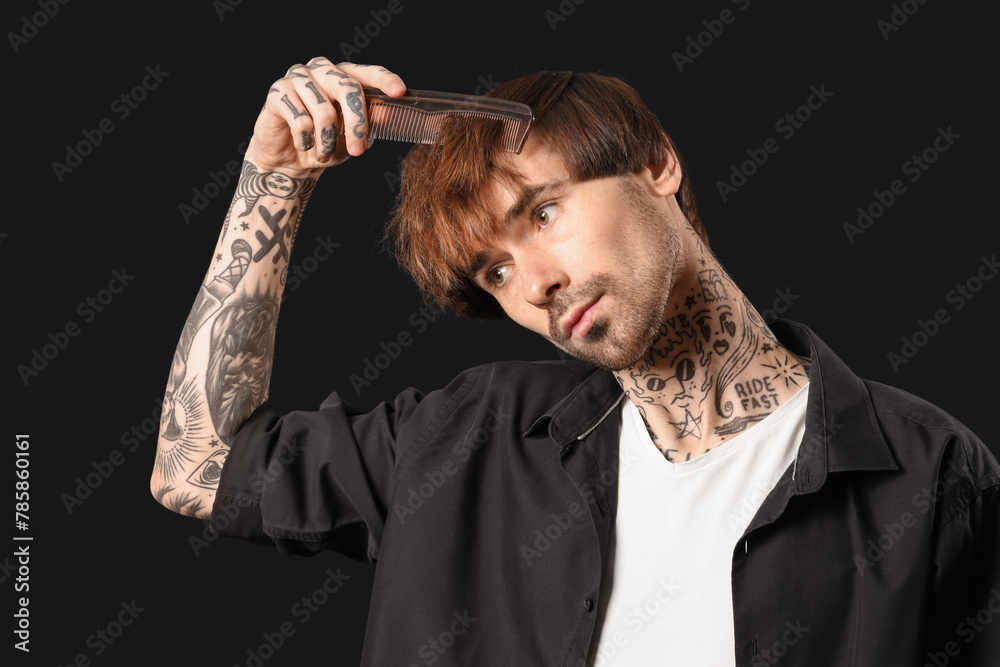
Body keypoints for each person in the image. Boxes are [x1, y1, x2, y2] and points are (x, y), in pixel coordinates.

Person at [151, 58, 1000, 666]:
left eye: (545, 211)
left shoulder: (928, 473)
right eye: (496, 271)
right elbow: (195, 464)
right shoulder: (465, 437)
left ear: (656, 163)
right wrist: (275, 176)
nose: (539, 282)